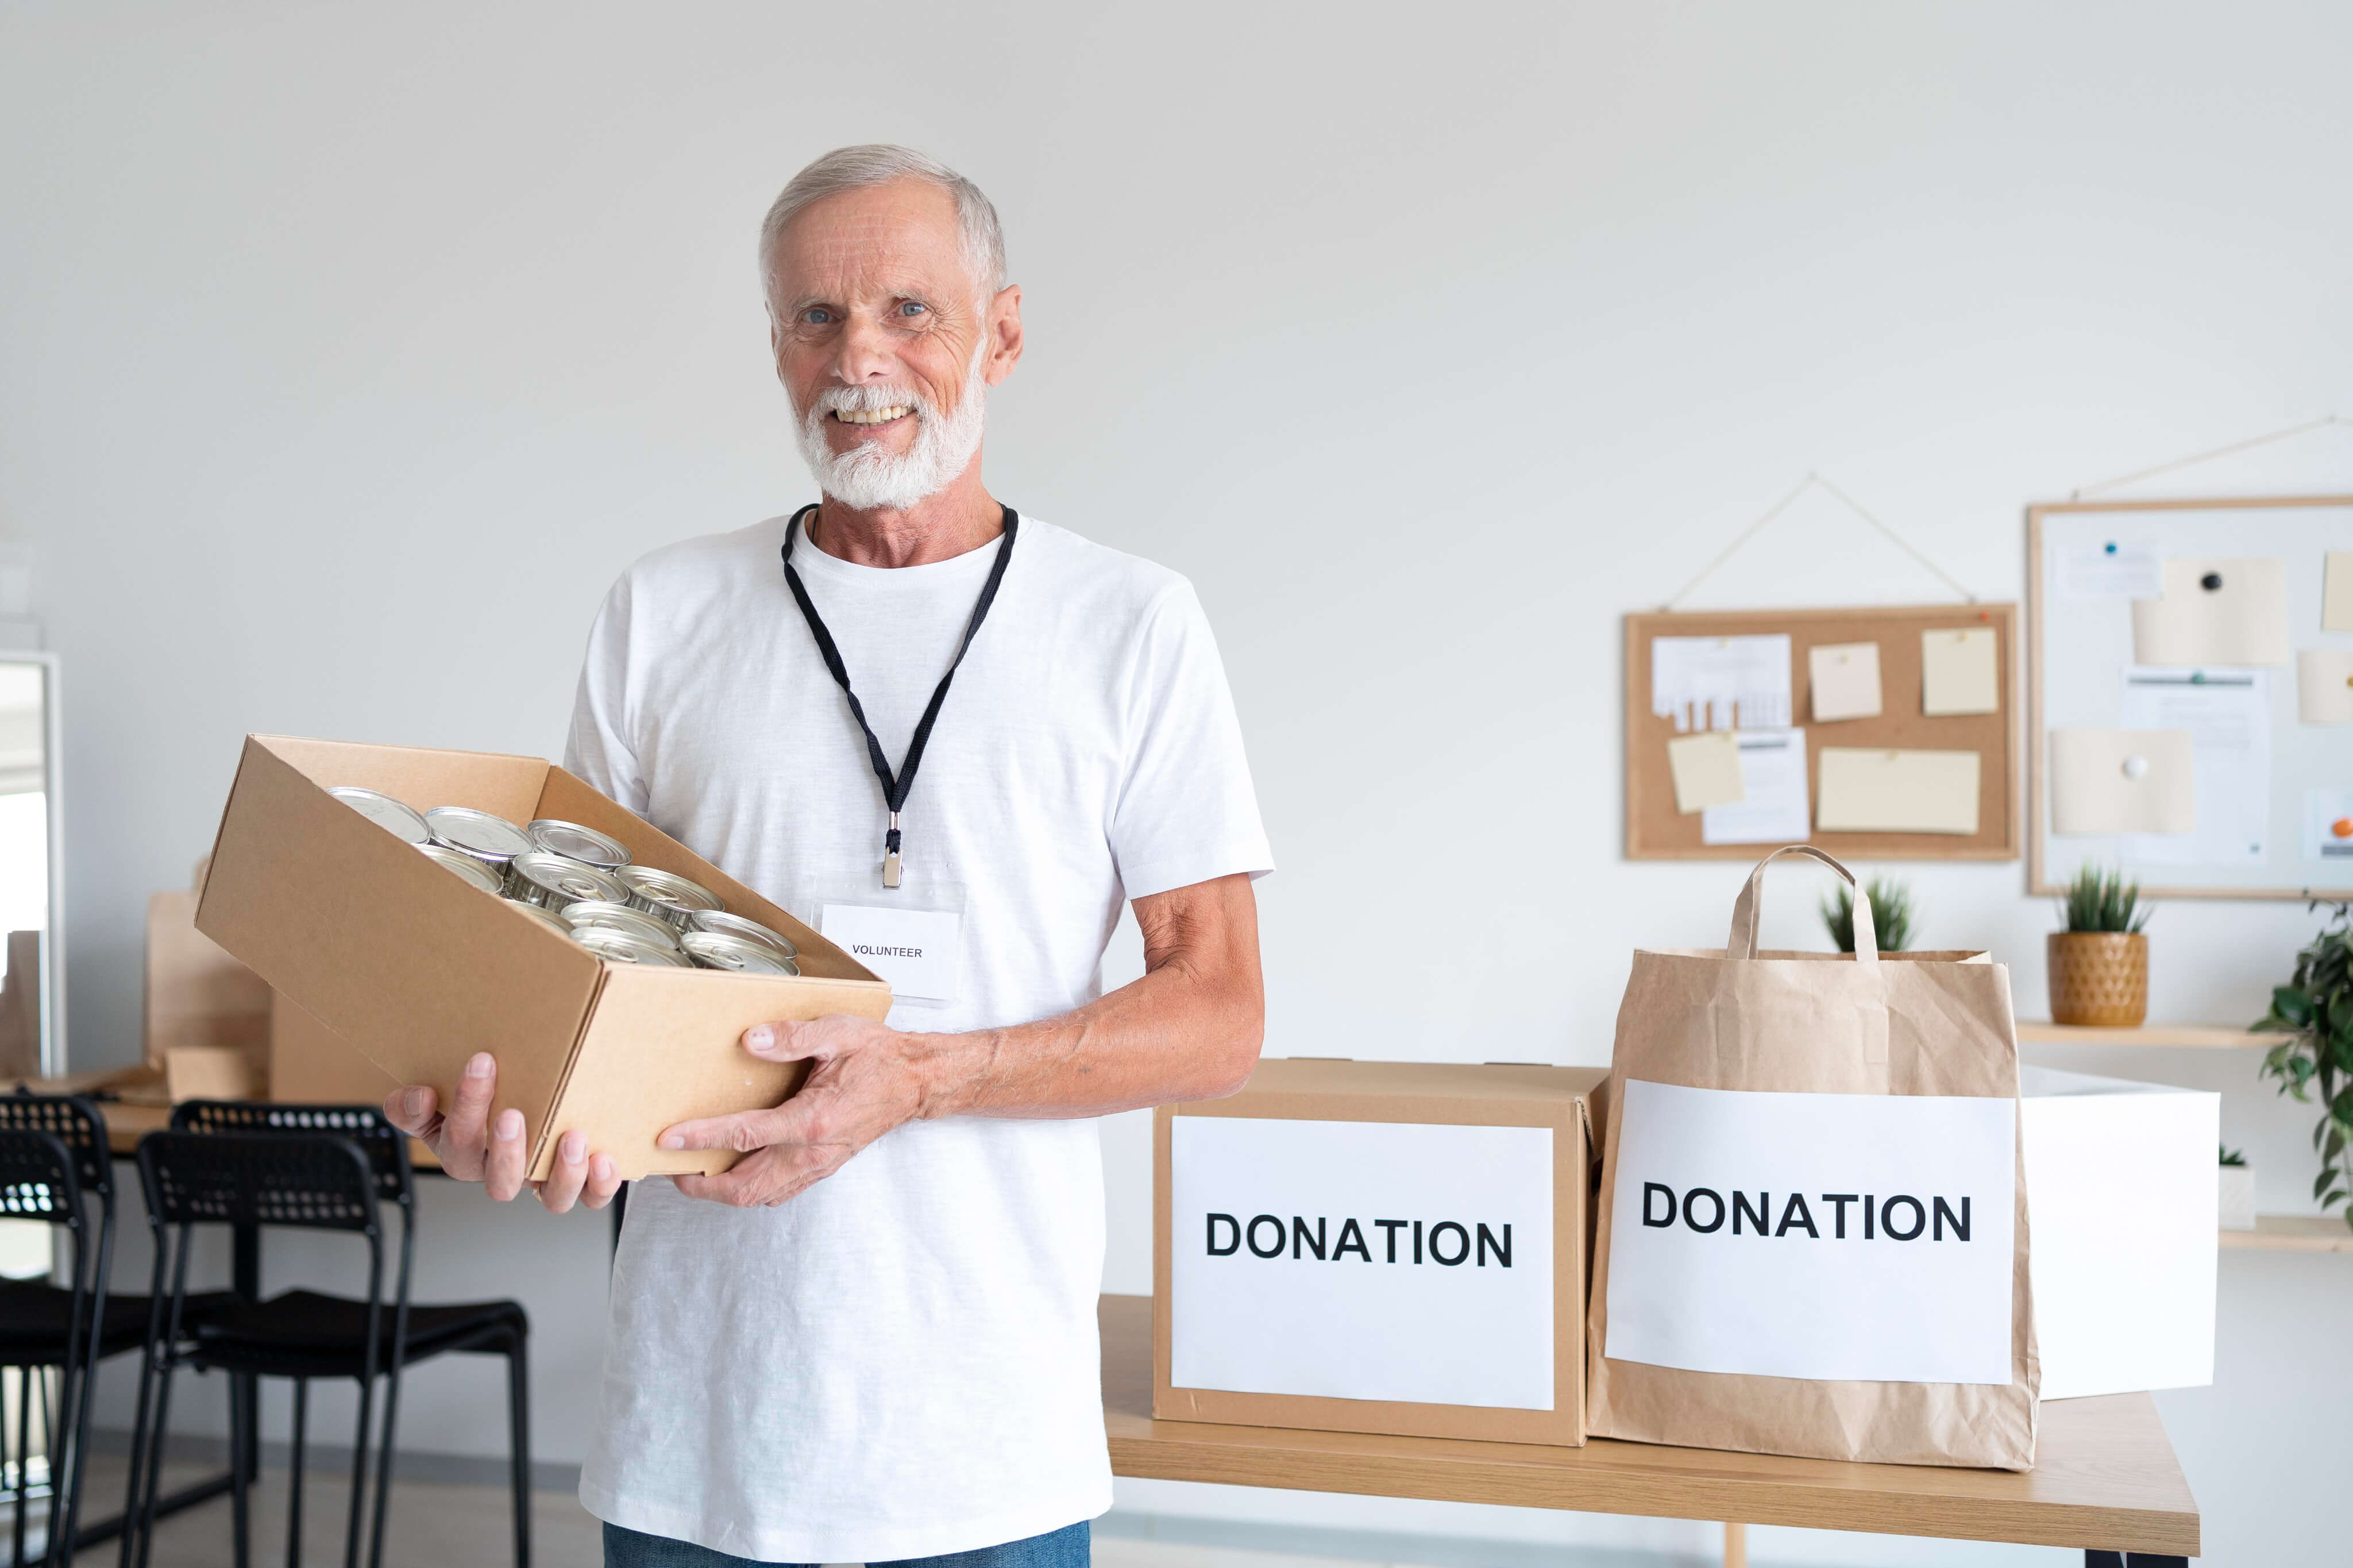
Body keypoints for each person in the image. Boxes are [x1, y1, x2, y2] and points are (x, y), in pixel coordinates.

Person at [384, 144, 1272, 1568]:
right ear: (778, 350)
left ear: (1003, 333)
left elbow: (1219, 1016)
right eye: (815, 318)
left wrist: (919, 1077)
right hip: (695, 1449)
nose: (860, 355)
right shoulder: (662, 612)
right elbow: (575, 976)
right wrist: (516, 1114)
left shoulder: (1129, 624)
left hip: (990, 1461)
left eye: (910, 311)